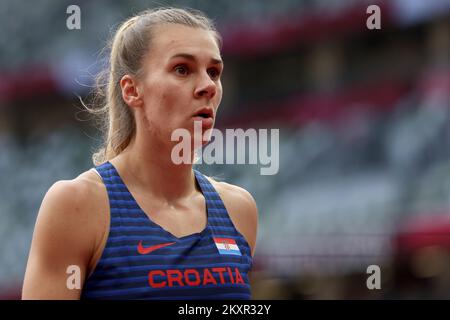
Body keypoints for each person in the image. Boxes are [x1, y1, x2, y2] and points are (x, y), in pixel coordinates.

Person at [22, 7, 258, 300]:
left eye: (214, 72)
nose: (208, 86)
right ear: (132, 90)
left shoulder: (239, 210)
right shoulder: (77, 206)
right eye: (182, 69)